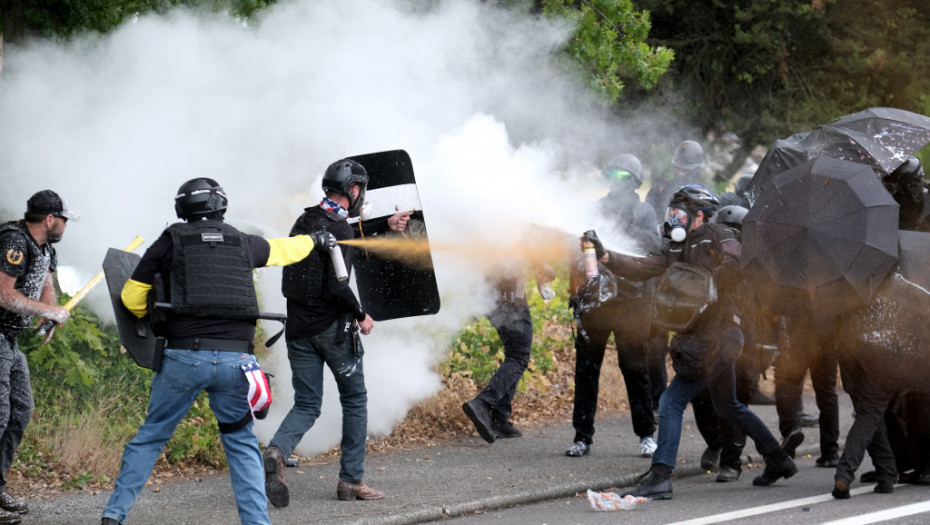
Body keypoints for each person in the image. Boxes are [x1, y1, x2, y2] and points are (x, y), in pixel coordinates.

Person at [101, 178, 332, 525]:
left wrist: (153, 312)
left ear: (183, 209)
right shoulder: (243, 242)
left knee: (150, 438)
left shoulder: (171, 241)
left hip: (183, 359)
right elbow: (287, 249)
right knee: (240, 444)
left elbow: (131, 299)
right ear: (221, 206)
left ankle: (113, 517)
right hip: (237, 364)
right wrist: (315, 239)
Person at [585, 185, 796, 499]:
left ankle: (661, 475)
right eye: (670, 213)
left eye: (678, 213)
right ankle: (779, 460)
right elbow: (644, 268)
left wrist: (707, 283)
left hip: (719, 336)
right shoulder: (675, 248)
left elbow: (737, 263)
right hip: (705, 337)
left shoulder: (717, 233)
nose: (672, 219)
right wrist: (604, 256)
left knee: (671, 402)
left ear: (698, 216)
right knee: (728, 404)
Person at [264, 158, 387, 507]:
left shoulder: (304, 220)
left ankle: (276, 451)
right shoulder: (340, 229)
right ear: (353, 189)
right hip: (332, 333)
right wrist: (361, 315)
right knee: (355, 400)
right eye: (360, 188)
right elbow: (339, 286)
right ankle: (351, 482)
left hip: (298, 331)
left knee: (306, 403)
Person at [564, 154, 659, 458]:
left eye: (621, 176)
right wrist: (576, 291)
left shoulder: (643, 211)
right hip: (595, 303)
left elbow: (654, 247)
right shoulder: (594, 209)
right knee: (587, 370)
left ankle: (646, 435)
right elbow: (578, 256)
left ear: (633, 181)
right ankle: (582, 437)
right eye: (611, 175)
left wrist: (620, 227)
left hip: (634, 304)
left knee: (635, 368)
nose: (615, 181)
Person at [0, 191, 75, 525]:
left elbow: (46, 285)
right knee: (0, 413)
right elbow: (3, 293)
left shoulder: (46, 247)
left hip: (11, 339)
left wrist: (50, 313)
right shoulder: (13, 241)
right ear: (49, 219)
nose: (65, 225)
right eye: (63, 219)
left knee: (20, 411)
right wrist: (47, 309)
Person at [462, 262, 555, 443]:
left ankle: (499, 419)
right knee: (519, 356)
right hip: (508, 295)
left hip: (490, 296)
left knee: (514, 354)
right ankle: (484, 402)